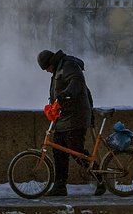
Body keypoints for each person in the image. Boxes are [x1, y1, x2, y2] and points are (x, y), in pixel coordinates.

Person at [37, 49, 106, 197]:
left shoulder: (68, 65)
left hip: (77, 116)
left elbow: (77, 84)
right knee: (59, 152)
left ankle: (101, 179)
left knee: (76, 151)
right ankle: (60, 186)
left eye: (46, 68)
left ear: (51, 63)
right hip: (64, 118)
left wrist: (65, 95)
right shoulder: (58, 69)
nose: (47, 71)